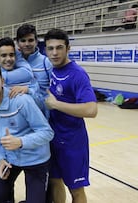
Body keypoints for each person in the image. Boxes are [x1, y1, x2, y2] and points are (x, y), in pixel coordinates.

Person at [0, 61, 53, 203]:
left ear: (2, 81)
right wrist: (0, 159)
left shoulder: (22, 101)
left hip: (36, 158)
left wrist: (20, 142)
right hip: (10, 159)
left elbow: (47, 132)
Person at [44, 28, 98, 203]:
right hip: (52, 139)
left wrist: (56, 104)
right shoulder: (48, 70)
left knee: (76, 189)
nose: (54, 52)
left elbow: (91, 110)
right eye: (50, 48)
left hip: (72, 142)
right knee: (54, 182)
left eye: (59, 47)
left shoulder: (77, 74)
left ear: (68, 48)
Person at [16, 23, 53, 117]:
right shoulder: (13, 63)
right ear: (17, 43)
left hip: (42, 116)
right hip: (20, 116)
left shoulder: (46, 63)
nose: (27, 44)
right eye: (23, 41)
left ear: (36, 41)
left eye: (30, 40)